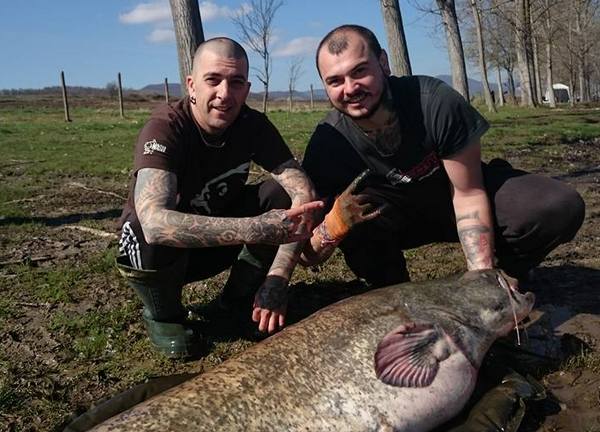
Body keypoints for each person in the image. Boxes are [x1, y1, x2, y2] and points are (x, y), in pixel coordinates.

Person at [300, 24, 585, 288]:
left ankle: (504, 275)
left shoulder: (434, 102)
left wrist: (480, 279)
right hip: (392, 221)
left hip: (454, 198)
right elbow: (305, 255)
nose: (350, 88)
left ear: (383, 63)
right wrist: (332, 228)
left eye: (360, 71)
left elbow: (469, 193)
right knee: (355, 219)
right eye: (335, 81)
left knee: (557, 205)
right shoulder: (328, 143)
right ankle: (395, 295)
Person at [117, 37, 321, 358]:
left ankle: (238, 300)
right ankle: (164, 316)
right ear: (191, 85)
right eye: (213, 80)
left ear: (247, 89)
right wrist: (256, 228)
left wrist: (278, 277)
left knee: (279, 193)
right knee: (143, 226)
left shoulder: (253, 125)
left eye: (236, 82)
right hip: (161, 254)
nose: (225, 94)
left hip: (219, 241)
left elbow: (304, 195)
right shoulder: (165, 128)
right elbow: (154, 224)